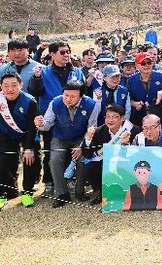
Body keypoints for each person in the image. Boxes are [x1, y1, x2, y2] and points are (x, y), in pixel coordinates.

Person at [27, 41, 85, 197]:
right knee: (50, 152)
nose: (67, 55)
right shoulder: (43, 71)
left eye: (68, 51)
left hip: (73, 118)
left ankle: (69, 179)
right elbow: (34, 91)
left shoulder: (77, 71)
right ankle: (49, 183)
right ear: (52, 54)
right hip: (51, 119)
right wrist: (36, 78)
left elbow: (83, 93)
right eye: (62, 52)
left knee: (71, 151)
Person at [34, 80, 99, 207]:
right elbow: (47, 125)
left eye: (73, 96)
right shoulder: (55, 102)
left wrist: (83, 147)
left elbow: (91, 128)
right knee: (54, 160)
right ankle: (61, 194)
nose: (68, 99)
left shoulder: (92, 104)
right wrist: (40, 124)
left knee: (82, 159)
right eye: (66, 95)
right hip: (60, 137)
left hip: (81, 137)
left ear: (81, 96)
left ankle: (79, 191)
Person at [82, 104, 140, 205]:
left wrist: (127, 144)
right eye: (108, 116)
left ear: (122, 118)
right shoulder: (99, 131)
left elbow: (138, 152)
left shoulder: (133, 130)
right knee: (88, 164)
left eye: (115, 117)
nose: (110, 120)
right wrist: (88, 139)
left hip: (126, 160)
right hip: (106, 162)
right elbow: (87, 154)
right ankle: (101, 192)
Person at [0, 72, 39, 208]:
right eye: (6, 86)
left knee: (30, 158)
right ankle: (4, 192)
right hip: (6, 134)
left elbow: (32, 127)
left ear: (20, 85)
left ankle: (27, 192)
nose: (10, 89)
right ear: (1, 87)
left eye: (14, 85)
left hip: (27, 134)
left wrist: (28, 149)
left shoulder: (30, 101)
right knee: (3, 160)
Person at [127, 52, 162, 126]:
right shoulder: (131, 80)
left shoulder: (161, 77)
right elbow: (129, 99)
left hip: (158, 119)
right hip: (138, 119)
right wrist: (135, 104)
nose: (146, 65)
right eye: (143, 63)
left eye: (149, 63)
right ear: (136, 65)